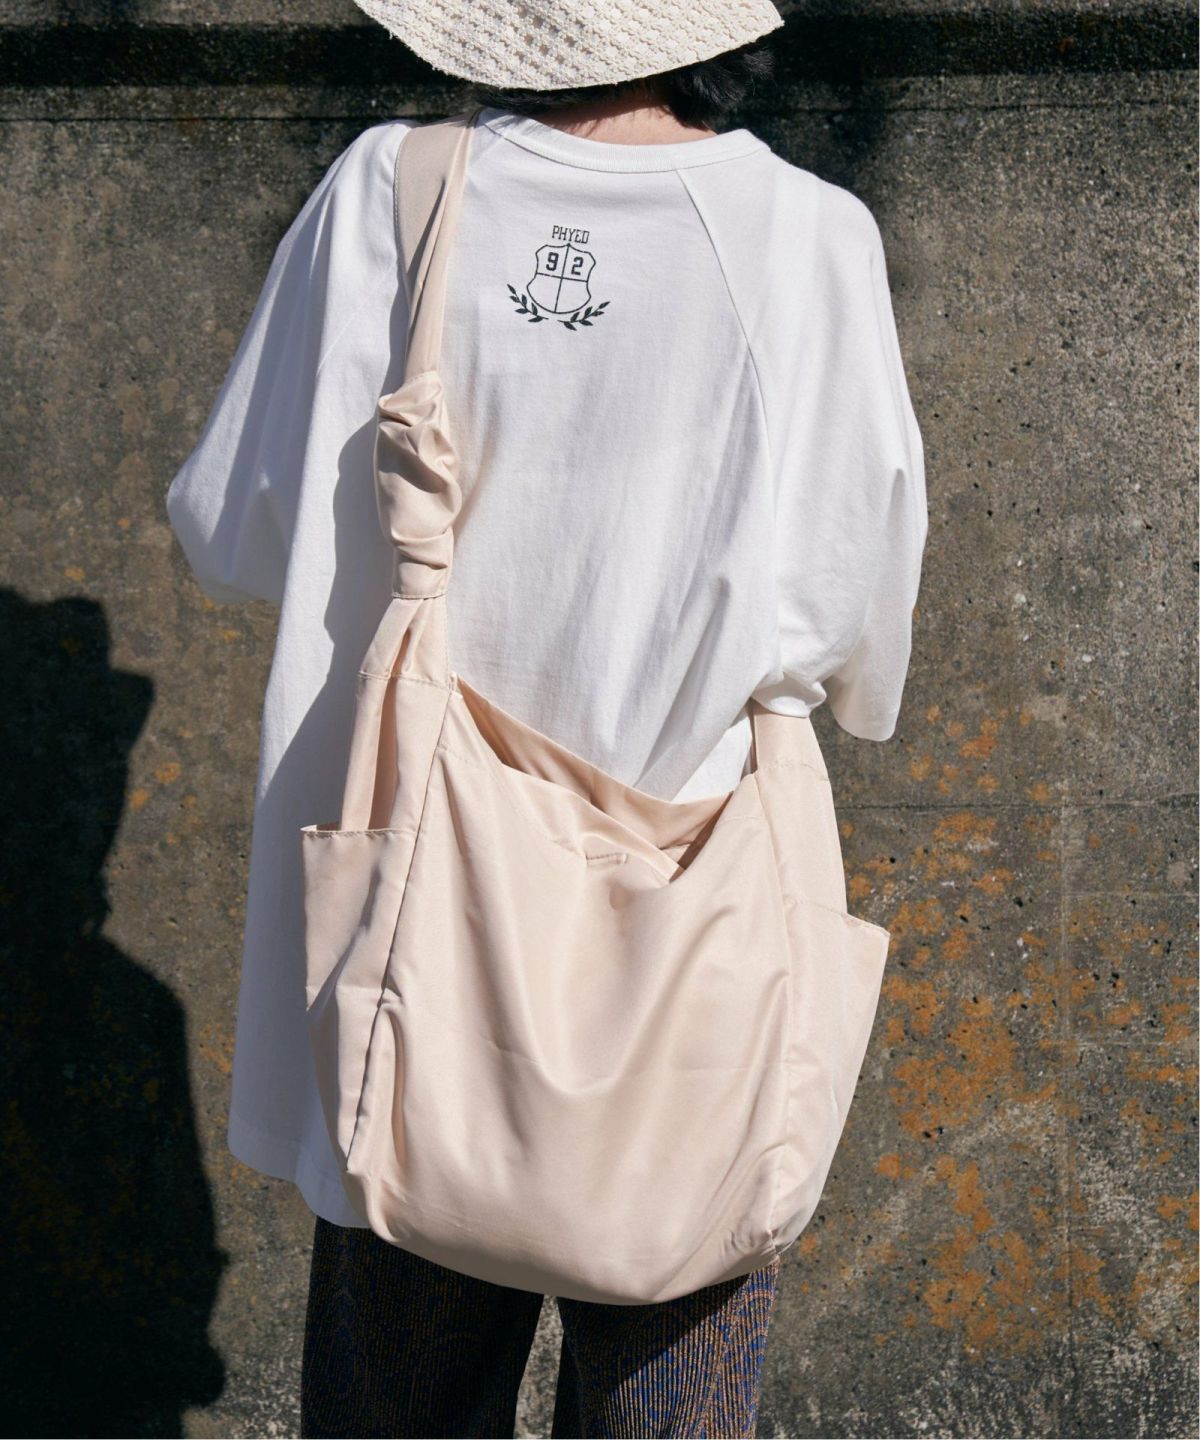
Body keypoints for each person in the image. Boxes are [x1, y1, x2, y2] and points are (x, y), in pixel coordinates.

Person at [164, 1, 928, 1434]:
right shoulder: (809, 237)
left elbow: (232, 527)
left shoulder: (390, 193)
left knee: (395, 1390)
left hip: (408, 940)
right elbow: (849, 631)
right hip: (687, 960)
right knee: (673, 1365)